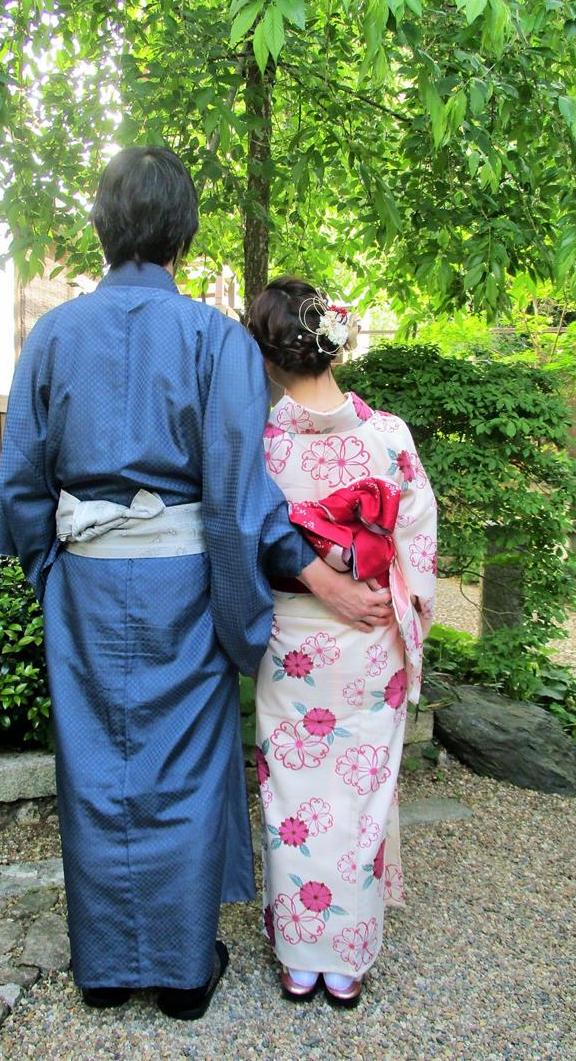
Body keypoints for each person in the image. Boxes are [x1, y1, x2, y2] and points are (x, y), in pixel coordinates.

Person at [0, 149, 392, 1021]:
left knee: (95, 769)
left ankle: (103, 970)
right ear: (182, 234)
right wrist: (248, 612)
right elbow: (240, 496)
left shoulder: (54, 334)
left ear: (103, 227)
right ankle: (180, 974)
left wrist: (51, 572)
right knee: (185, 771)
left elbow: (21, 482)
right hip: (185, 585)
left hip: (86, 587)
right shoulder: (213, 338)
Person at [247, 276, 437, 1008]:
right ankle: (345, 961)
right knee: (360, 795)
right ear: (334, 344)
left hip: (290, 640)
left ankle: (300, 959)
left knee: (292, 794)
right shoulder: (388, 435)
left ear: (269, 356)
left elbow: (245, 538)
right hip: (370, 639)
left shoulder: (260, 444)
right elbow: (417, 542)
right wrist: (397, 604)